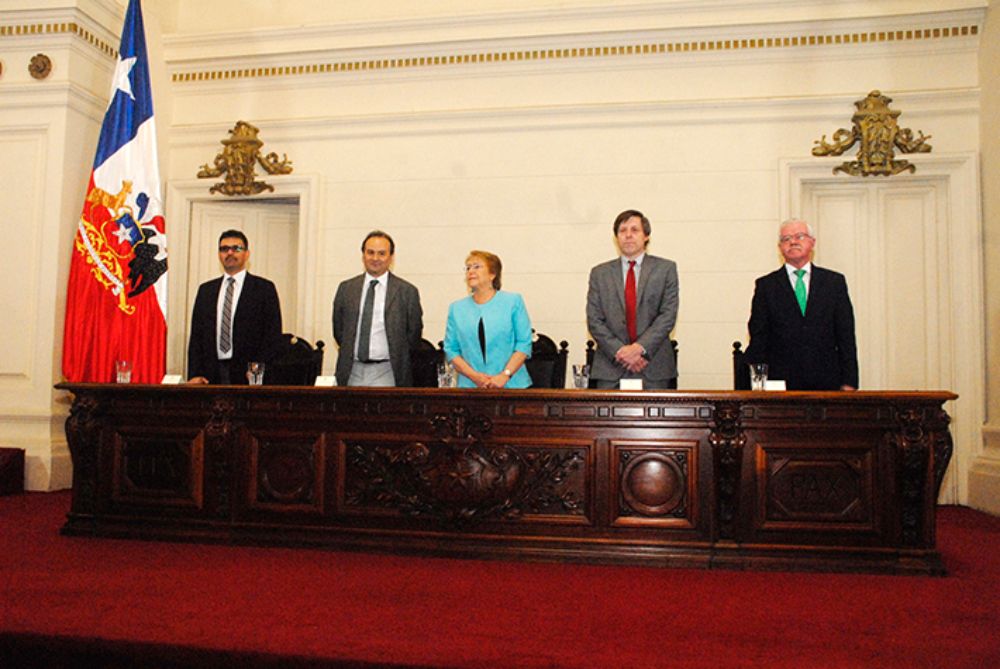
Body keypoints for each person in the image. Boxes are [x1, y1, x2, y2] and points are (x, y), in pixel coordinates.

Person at [745, 218, 858, 390]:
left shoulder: (834, 282)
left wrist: (849, 382)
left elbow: (846, 335)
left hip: (827, 381)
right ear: (780, 248)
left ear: (812, 242)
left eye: (799, 236)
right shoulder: (766, 286)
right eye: (786, 239)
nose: (793, 242)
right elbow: (759, 337)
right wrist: (758, 384)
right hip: (780, 384)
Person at [586, 209, 679, 389]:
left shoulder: (666, 269)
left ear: (646, 236)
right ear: (616, 237)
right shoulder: (599, 273)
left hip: (653, 366)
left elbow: (667, 316)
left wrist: (639, 350)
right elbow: (594, 319)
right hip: (610, 367)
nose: (628, 235)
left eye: (634, 230)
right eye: (622, 231)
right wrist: (620, 352)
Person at [188, 229, 282, 384]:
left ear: (247, 254)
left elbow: (272, 335)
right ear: (219, 254)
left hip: (248, 374)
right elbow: (197, 336)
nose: (230, 253)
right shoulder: (206, 290)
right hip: (211, 374)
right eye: (224, 249)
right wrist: (194, 373)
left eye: (236, 248)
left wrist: (257, 370)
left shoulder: (264, 288)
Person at [332, 230, 423, 386]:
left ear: (391, 257)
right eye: (370, 252)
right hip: (351, 371)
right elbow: (339, 331)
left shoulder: (407, 291)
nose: (375, 258)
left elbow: (413, 334)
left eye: (382, 253)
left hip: (389, 372)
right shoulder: (346, 289)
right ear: (363, 255)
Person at [443, 250, 533, 388]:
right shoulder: (457, 308)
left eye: (477, 266)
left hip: (511, 385)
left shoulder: (513, 301)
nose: (470, 271)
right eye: (468, 268)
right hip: (471, 386)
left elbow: (523, 343)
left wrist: (505, 374)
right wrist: (475, 376)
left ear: (492, 274)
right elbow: (451, 349)